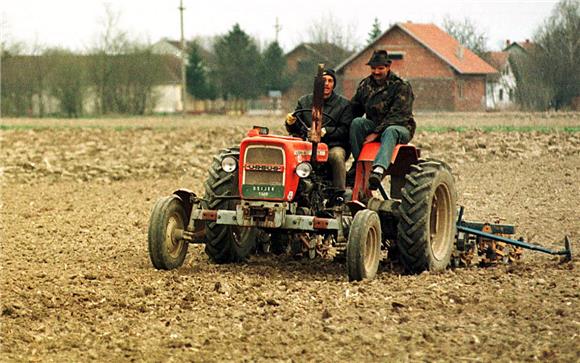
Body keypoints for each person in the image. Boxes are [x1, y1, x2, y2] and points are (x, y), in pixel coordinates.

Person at [349, 49, 416, 190]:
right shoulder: (365, 85)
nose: (376, 72)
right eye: (373, 68)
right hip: (375, 124)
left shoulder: (400, 86)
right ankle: (359, 164)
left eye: (380, 68)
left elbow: (398, 115)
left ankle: (378, 170)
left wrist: (376, 133)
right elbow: (354, 109)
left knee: (390, 131)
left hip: (400, 127)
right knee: (357, 123)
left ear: (388, 67)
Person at [285, 68, 353, 192]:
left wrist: (326, 131)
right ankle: (292, 189)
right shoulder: (304, 101)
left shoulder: (343, 104)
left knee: (337, 156)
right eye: (323, 80)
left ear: (334, 84)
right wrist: (290, 123)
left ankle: (339, 193)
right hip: (307, 145)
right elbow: (296, 129)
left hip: (332, 145)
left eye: (330, 81)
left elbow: (345, 129)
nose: (326, 83)